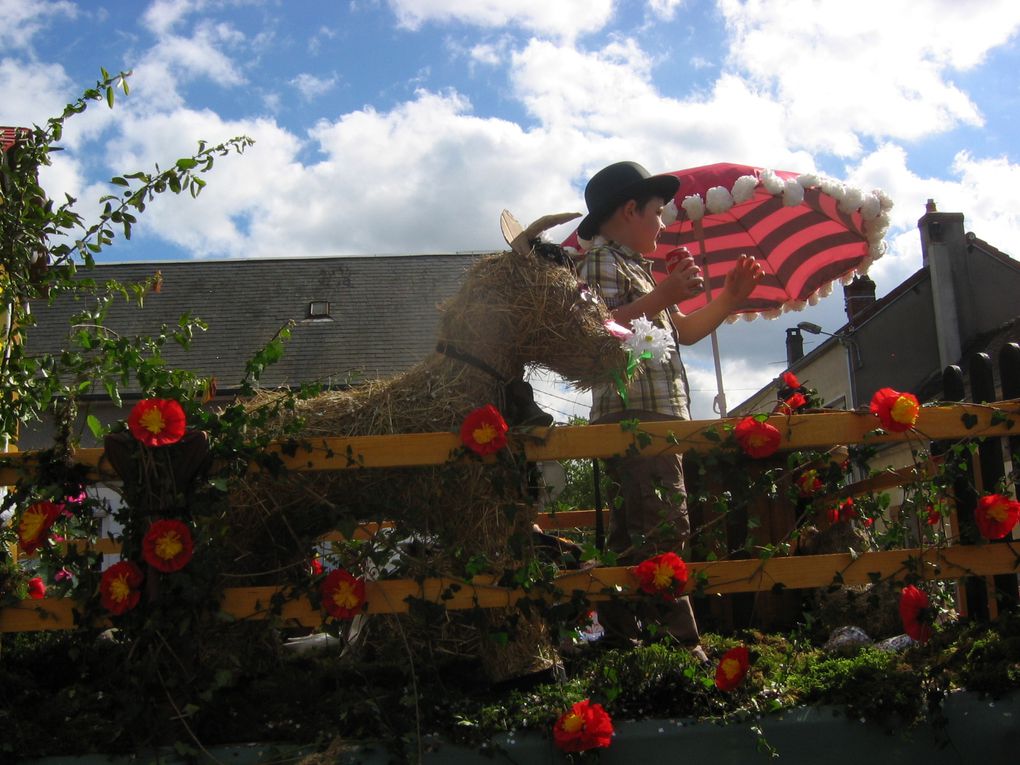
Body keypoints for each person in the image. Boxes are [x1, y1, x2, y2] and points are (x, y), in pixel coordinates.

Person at [575, 161, 763, 654]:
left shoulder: (634, 265)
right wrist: (663, 294)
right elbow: (595, 329)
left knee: (635, 528)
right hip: (633, 415)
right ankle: (677, 644)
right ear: (630, 209)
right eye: (657, 212)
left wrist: (728, 299)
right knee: (663, 523)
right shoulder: (599, 261)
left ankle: (621, 637)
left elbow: (685, 332)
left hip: (652, 415)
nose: (663, 222)